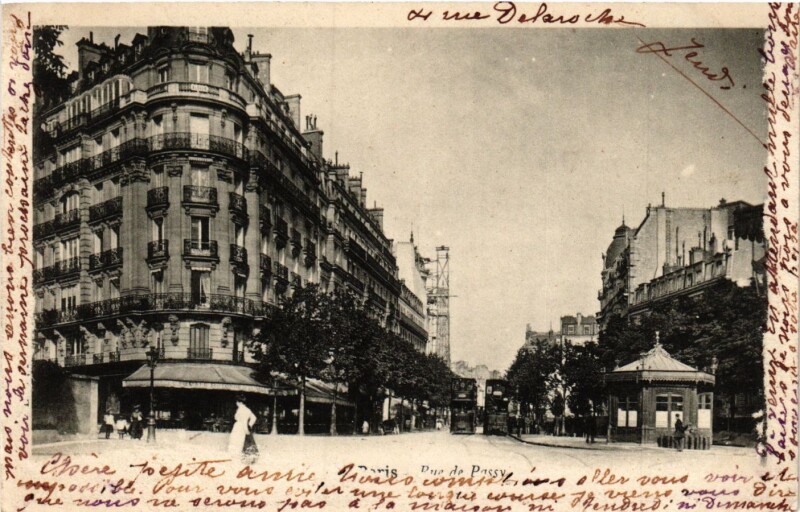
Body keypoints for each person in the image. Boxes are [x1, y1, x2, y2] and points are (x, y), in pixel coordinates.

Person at [228, 395, 258, 460]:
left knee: (237, 441)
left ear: (240, 402)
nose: (236, 403)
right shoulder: (247, 410)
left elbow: (244, 421)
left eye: (237, 402)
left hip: (239, 427)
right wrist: (249, 425)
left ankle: (236, 457)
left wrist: (246, 429)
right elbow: (254, 418)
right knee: (240, 441)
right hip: (241, 426)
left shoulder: (241, 410)